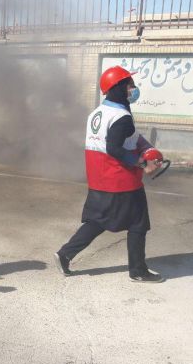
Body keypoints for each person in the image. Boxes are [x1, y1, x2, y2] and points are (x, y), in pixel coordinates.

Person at [54, 65, 164, 283]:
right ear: (118, 87)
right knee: (138, 224)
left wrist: (146, 149)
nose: (133, 88)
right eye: (129, 84)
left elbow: (128, 138)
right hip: (122, 182)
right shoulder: (122, 116)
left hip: (99, 180)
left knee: (98, 222)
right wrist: (142, 163)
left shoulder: (97, 114)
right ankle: (138, 271)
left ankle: (65, 254)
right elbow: (114, 147)